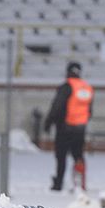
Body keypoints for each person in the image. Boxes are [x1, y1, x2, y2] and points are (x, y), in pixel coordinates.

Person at [43, 61, 93, 191]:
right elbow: (90, 110)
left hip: (65, 127)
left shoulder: (66, 87)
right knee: (78, 155)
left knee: (61, 156)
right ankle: (80, 183)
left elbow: (57, 106)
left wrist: (48, 122)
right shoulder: (86, 88)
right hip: (80, 128)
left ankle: (58, 183)